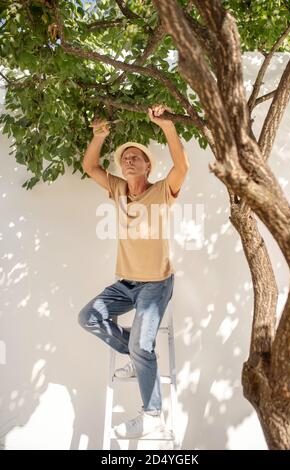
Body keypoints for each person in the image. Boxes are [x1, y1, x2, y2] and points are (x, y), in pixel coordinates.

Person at [78, 104, 190, 438]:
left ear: (146, 166)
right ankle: (138, 356)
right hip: (125, 284)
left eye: (135, 157)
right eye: (124, 157)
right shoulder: (117, 190)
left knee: (144, 347)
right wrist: (98, 137)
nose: (128, 160)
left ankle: (153, 414)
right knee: (89, 317)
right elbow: (90, 165)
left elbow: (182, 165)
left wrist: (167, 125)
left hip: (156, 284)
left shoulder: (161, 191)